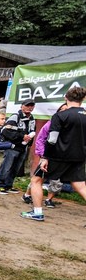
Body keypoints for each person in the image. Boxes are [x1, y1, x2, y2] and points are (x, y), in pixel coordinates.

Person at [22, 86, 86, 222]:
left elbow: (51, 139)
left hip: (57, 155)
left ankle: (37, 212)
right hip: (79, 156)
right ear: (83, 99)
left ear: (65, 98)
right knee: (80, 185)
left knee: (36, 180)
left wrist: (45, 157)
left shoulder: (60, 115)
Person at [23, 103, 69, 207]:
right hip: (47, 156)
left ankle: (49, 199)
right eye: (62, 109)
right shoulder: (51, 123)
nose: (64, 111)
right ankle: (27, 195)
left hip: (61, 157)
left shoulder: (72, 126)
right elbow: (40, 138)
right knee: (39, 178)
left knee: (57, 180)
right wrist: (42, 154)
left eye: (66, 110)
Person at [0, 99, 36, 194]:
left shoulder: (32, 118)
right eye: (27, 105)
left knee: (16, 168)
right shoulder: (15, 117)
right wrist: (21, 136)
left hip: (23, 147)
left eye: (31, 106)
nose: (29, 107)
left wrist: (29, 142)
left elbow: (32, 132)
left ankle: (8, 185)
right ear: (22, 106)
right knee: (6, 166)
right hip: (12, 146)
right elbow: (5, 131)